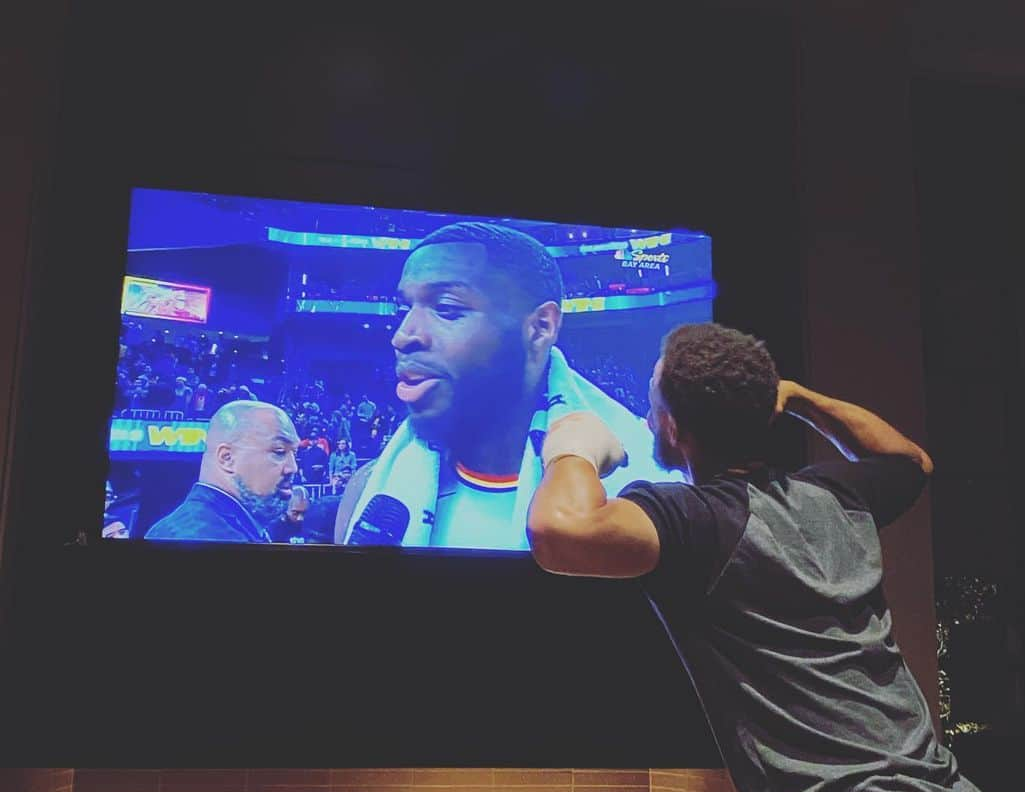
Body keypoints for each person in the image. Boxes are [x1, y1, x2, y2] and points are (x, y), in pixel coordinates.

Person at [527, 322, 1025, 792]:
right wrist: (798, 400)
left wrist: (571, 443)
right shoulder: (837, 496)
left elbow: (561, 530)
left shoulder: (697, 520)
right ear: (766, 411)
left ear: (668, 424)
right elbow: (908, 459)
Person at [334, 221, 675, 550]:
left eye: (446, 309)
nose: (403, 336)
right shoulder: (368, 496)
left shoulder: (655, 493)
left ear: (540, 328)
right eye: (403, 309)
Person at [144, 400, 299, 542]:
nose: (293, 468)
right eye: (279, 451)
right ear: (227, 458)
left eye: (295, 453)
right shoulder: (198, 537)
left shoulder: (228, 526)